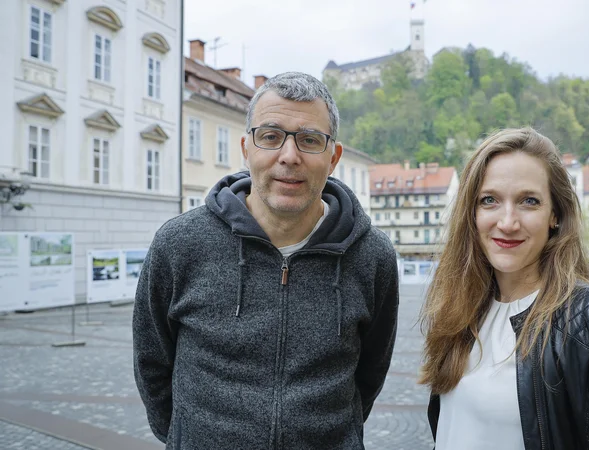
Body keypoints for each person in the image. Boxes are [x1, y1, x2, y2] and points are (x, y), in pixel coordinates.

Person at [132, 72, 400, 449]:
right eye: (271, 137)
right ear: (246, 148)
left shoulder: (372, 256)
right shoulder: (179, 244)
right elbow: (152, 364)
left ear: (333, 157)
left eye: (309, 140)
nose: (289, 157)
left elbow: (370, 374)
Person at [419, 127, 589, 449]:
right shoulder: (460, 311)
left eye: (529, 201)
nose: (508, 222)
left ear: (555, 213)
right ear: (471, 213)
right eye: (489, 201)